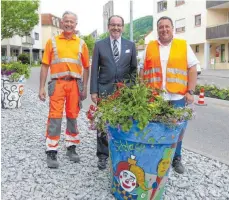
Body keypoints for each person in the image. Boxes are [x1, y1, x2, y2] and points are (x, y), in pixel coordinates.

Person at [139, 16, 198, 174]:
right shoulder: (149, 46)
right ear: (157, 29)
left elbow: (192, 68)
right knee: (155, 128)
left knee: (177, 129)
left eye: (167, 26)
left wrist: (190, 91)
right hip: (155, 98)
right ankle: (157, 156)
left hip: (177, 97)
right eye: (161, 27)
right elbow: (142, 70)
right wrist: (142, 92)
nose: (164, 29)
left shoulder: (183, 45)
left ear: (172, 28)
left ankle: (176, 158)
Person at [39, 11, 90, 168]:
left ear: (76, 24)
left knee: (72, 116)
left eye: (71, 22)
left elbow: (86, 67)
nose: (68, 24)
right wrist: (41, 87)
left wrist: (85, 88)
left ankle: (71, 147)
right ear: (61, 23)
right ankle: (51, 150)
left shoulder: (81, 43)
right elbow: (45, 65)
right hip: (58, 84)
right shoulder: (52, 42)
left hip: (75, 84)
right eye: (66, 21)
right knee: (54, 116)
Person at [90, 15, 137, 170]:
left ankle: (120, 153)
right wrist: (94, 90)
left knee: (123, 122)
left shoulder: (130, 45)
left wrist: (131, 90)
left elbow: (133, 70)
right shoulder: (99, 45)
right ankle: (103, 156)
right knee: (103, 124)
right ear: (108, 26)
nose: (116, 28)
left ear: (123, 27)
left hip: (124, 93)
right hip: (104, 91)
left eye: (119, 25)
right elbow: (94, 69)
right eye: (113, 25)